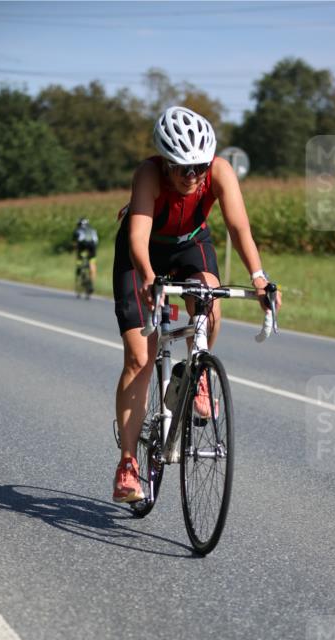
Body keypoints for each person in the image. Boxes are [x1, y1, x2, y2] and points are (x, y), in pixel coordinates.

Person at [112, 105, 281, 503]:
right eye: (183, 168)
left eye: (199, 167)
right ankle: (128, 465)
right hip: (142, 254)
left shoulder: (219, 172)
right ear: (165, 162)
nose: (192, 176)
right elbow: (137, 239)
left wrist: (259, 278)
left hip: (190, 244)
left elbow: (238, 228)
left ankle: (197, 371)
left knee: (209, 297)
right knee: (140, 358)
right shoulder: (149, 174)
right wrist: (150, 278)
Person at [72, 217, 98, 290]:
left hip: (82, 245)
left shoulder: (77, 230)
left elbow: (74, 244)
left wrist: (74, 249)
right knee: (92, 262)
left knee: (79, 259)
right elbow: (96, 240)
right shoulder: (92, 230)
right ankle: (92, 284)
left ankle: (79, 269)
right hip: (93, 246)